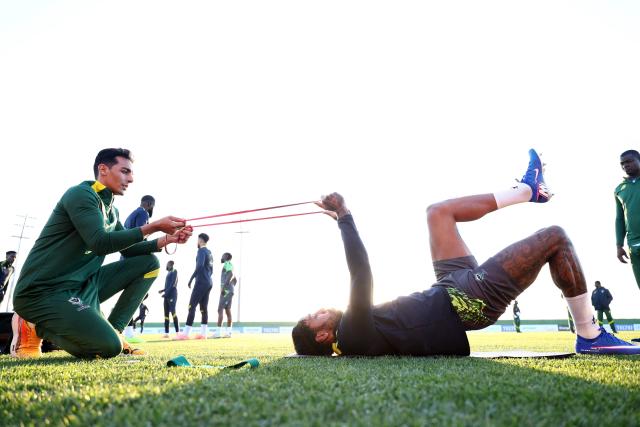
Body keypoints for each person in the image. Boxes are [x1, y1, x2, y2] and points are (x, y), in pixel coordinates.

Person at [292, 149, 640, 356]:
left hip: (447, 287)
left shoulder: (353, 334)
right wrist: (344, 217)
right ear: (323, 337)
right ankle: (590, 336)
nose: (322, 310)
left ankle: (526, 189)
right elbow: (361, 274)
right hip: (466, 302)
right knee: (555, 238)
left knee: (437, 213)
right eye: (316, 317)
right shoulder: (351, 335)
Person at [10, 148, 192, 359]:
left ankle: (115, 330)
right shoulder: (80, 194)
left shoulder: (111, 210)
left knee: (149, 264)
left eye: (131, 173)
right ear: (103, 169)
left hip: (82, 286)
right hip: (44, 291)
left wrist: (166, 240)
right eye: (125, 171)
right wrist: (153, 227)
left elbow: (129, 248)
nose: (130, 179)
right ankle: (33, 325)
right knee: (108, 348)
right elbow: (99, 242)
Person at [122, 195, 155, 342]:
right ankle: (128, 333)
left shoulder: (130, 215)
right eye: (152, 206)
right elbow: (143, 234)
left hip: (125, 259)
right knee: (135, 295)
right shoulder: (143, 213)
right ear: (149, 204)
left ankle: (127, 331)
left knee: (129, 295)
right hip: (135, 259)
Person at [177, 233, 213, 340]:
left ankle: (185, 334)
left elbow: (200, 265)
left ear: (200, 240)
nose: (197, 242)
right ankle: (203, 334)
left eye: (197, 240)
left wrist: (191, 278)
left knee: (191, 306)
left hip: (201, 282)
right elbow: (211, 270)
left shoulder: (201, 251)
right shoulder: (209, 252)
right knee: (203, 308)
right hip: (209, 282)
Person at [615, 149, 640, 291]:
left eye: (629, 161)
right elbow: (619, 219)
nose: (625, 166)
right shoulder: (619, 189)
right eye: (622, 164)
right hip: (634, 244)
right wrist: (619, 245)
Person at [216, 252, 236, 338]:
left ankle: (218, 333)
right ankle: (229, 333)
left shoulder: (228, 264)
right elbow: (235, 279)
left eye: (223, 255)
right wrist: (231, 287)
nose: (221, 257)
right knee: (227, 310)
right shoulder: (229, 264)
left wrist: (224, 287)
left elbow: (231, 274)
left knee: (220, 309)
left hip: (226, 290)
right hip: (229, 290)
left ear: (227, 257)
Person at [159, 260, 180, 338]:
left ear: (171, 265)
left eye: (168, 264)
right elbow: (168, 285)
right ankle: (166, 333)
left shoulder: (175, 271)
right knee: (166, 314)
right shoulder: (168, 273)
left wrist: (166, 293)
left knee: (173, 312)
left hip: (172, 295)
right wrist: (163, 290)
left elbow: (173, 284)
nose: (167, 266)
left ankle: (178, 333)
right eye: (167, 264)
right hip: (166, 295)